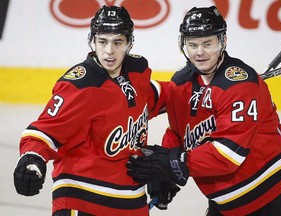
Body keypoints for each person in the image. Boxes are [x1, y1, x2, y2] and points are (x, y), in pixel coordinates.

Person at [126, 6, 281, 216]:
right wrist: (168, 171)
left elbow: (229, 154)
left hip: (264, 198)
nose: (199, 52)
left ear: (223, 41)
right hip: (223, 204)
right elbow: (177, 132)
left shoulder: (239, 85)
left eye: (207, 44)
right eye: (193, 45)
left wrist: (175, 162)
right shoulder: (183, 82)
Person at [13, 5, 167, 216]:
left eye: (118, 42)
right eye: (102, 41)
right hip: (82, 199)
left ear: (129, 43)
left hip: (131, 203)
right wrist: (32, 160)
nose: (109, 51)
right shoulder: (80, 85)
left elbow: (158, 96)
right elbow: (45, 130)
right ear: (92, 41)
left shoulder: (137, 72)